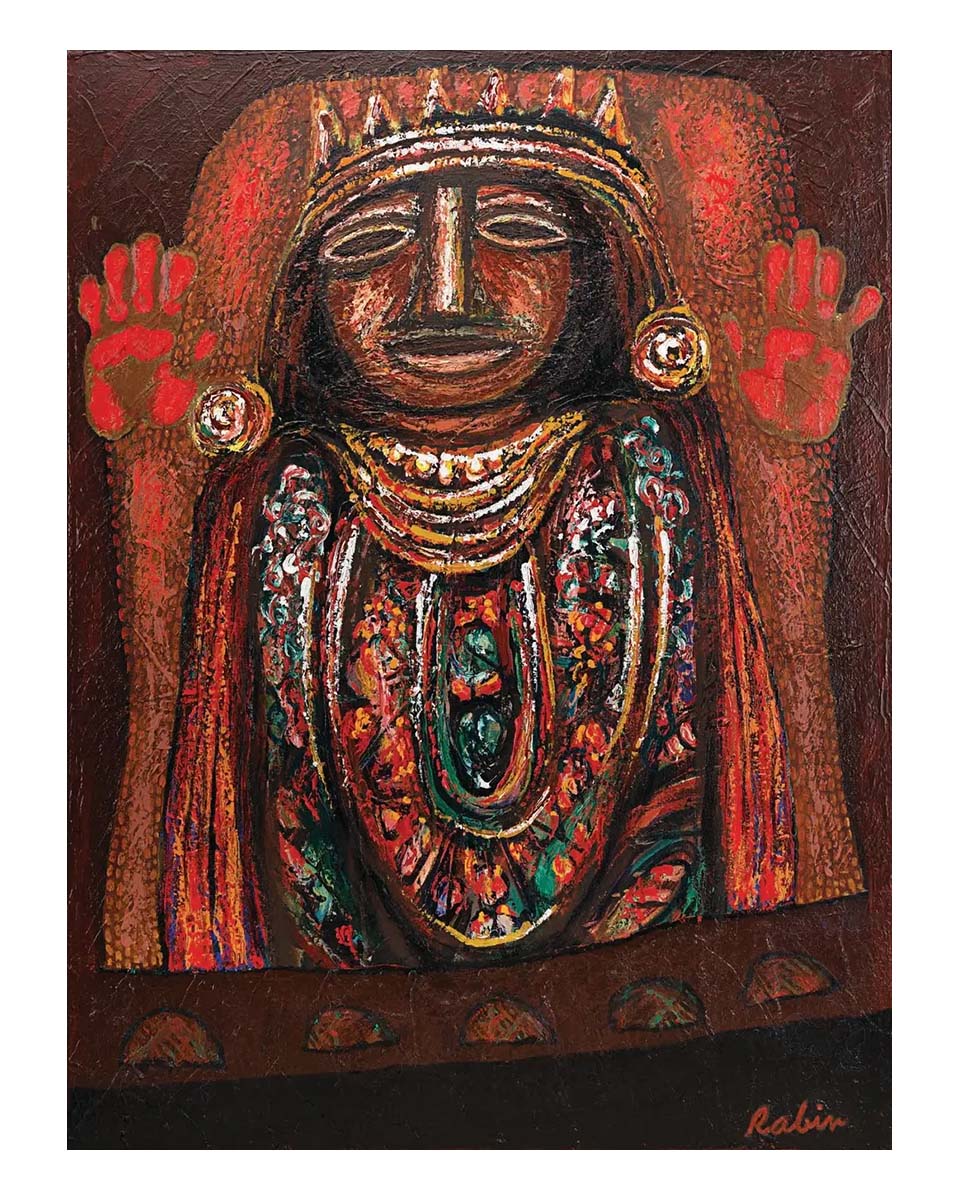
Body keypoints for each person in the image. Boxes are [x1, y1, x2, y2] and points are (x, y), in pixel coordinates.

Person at [80, 68, 880, 970]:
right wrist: (150, 474)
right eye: (372, 244)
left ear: (594, 267)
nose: (446, 293)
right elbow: (198, 770)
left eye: (520, 231)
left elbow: (765, 735)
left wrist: (782, 462)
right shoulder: (289, 500)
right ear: (308, 295)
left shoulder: (652, 468)